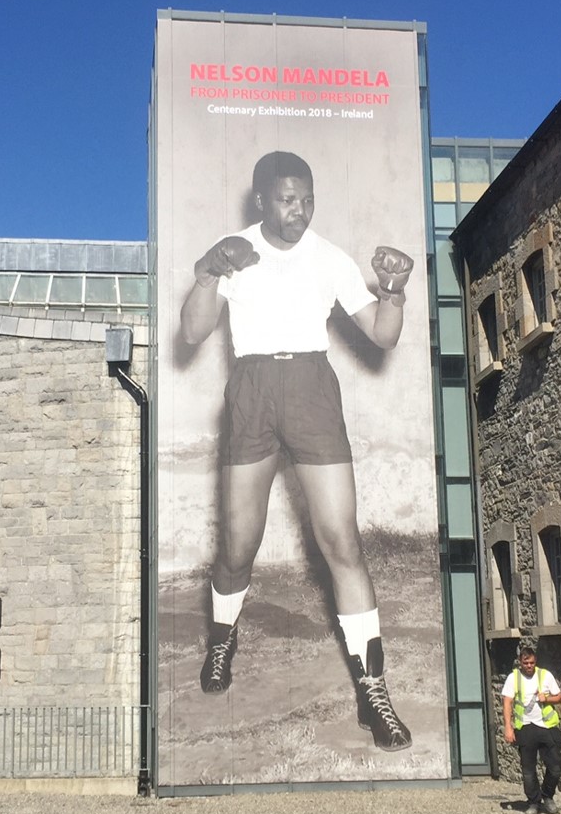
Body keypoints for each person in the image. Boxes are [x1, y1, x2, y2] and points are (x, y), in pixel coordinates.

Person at [178, 149, 416, 752]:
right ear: (262, 200)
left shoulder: (327, 256)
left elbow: (383, 336)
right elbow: (193, 331)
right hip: (252, 389)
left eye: (307, 199)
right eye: (288, 199)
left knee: (342, 540)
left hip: (312, 389)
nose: (299, 211)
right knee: (238, 544)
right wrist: (207, 272)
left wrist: (393, 289)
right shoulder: (234, 248)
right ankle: (224, 636)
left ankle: (372, 689)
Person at [501, 647, 561, 814]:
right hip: (526, 727)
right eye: (525, 663)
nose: (529, 666)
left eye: (532, 663)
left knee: (555, 766)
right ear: (520, 663)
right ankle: (534, 802)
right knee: (528, 770)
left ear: (536, 662)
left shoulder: (545, 675)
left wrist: (547, 698)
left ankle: (547, 796)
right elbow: (507, 702)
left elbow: (559, 697)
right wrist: (508, 727)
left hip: (547, 726)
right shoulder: (513, 678)